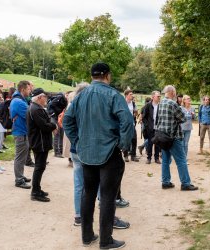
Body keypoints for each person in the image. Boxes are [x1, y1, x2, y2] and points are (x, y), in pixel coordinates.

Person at [63, 62, 134, 249]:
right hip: (109, 152)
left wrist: (78, 141)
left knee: (88, 194)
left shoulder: (80, 96)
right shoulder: (112, 95)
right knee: (108, 197)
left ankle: (87, 236)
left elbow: (68, 121)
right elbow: (127, 122)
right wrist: (122, 144)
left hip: (87, 152)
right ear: (107, 75)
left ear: (92, 75)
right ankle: (106, 240)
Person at [157, 85, 198, 191]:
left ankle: (165, 182)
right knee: (181, 160)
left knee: (166, 160)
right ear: (172, 92)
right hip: (174, 136)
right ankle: (185, 183)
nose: (175, 93)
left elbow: (158, 119)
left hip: (163, 136)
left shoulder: (160, 103)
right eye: (174, 92)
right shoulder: (173, 103)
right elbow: (183, 118)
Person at [27, 88, 57, 202]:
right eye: (45, 96)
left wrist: (52, 124)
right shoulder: (35, 109)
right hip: (39, 142)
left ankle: (37, 189)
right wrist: (54, 126)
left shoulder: (37, 108)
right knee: (39, 167)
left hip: (41, 142)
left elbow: (48, 119)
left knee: (41, 166)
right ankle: (35, 192)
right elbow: (45, 125)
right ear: (39, 97)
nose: (46, 99)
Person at [10, 80, 32, 189]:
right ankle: (18, 180)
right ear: (22, 89)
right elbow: (30, 115)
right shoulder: (19, 102)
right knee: (20, 157)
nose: (30, 91)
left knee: (22, 156)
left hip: (22, 131)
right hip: (20, 132)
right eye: (28, 89)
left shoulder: (19, 100)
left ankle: (20, 176)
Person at [142, 91, 162, 164]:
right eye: (158, 96)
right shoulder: (148, 105)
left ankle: (156, 158)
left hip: (158, 128)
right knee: (150, 143)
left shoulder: (161, 105)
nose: (159, 97)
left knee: (157, 144)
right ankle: (149, 158)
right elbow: (144, 117)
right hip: (150, 128)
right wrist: (147, 125)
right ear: (153, 97)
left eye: (160, 96)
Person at [122, 89, 139, 162]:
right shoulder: (122, 103)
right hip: (124, 125)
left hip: (132, 124)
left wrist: (135, 113)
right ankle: (125, 155)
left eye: (132, 94)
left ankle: (133, 156)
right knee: (125, 140)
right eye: (130, 94)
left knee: (134, 139)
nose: (132, 96)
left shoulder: (133, 103)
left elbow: (136, 112)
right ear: (126, 95)